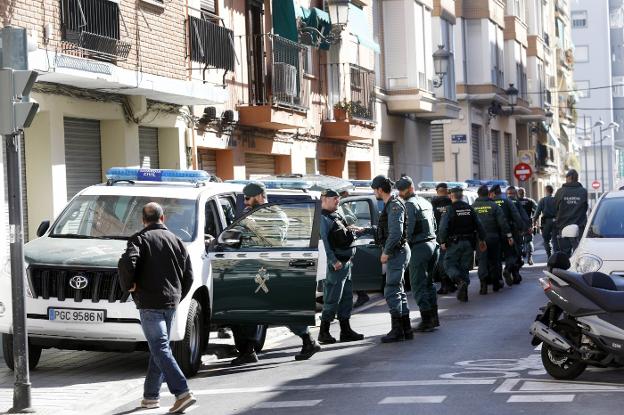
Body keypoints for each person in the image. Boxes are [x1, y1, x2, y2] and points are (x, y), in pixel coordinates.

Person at [231, 182, 321, 365]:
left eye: (248, 198)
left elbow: (274, 241)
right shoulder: (250, 215)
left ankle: (309, 341)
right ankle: (248, 350)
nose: (246, 202)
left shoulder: (276, 214)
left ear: (258, 196)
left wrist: (252, 224)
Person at [118, 202, 196, 413]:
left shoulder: (139, 239)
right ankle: (151, 397)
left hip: (150, 303)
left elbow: (127, 263)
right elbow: (189, 276)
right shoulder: (177, 240)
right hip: (170, 302)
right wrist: (177, 297)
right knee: (159, 349)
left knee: (159, 348)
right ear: (163, 219)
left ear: (143, 220)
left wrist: (129, 286)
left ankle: (182, 392)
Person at [317, 189, 365, 344]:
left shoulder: (336, 215)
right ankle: (324, 332)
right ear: (324, 199)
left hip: (346, 263)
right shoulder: (322, 218)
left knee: (346, 298)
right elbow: (325, 242)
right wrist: (333, 261)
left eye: (338, 198)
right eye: (334, 199)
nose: (338, 201)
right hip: (337, 264)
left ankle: (346, 330)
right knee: (332, 298)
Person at [396, 176, 440, 332]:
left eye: (402, 190)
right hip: (433, 245)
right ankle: (434, 318)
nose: (400, 193)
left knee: (417, 285)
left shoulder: (409, 205)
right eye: (399, 190)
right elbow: (435, 225)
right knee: (429, 283)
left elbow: (408, 229)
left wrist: (400, 245)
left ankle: (427, 320)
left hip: (419, 248)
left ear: (410, 188)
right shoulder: (425, 202)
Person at [371, 175, 411, 342]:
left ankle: (397, 331)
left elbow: (395, 233)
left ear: (380, 189)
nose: (374, 192)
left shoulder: (394, 205)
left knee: (391, 290)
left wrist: (386, 252)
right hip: (398, 251)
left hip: (396, 252)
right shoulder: (391, 204)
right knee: (398, 290)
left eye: (374, 189)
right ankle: (406, 329)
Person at [438, 187, 487, 302]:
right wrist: (482, 239)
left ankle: (459, 281)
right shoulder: (469, 208)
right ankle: (464, 294)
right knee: (464, 267)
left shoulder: (450, 209)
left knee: (448, 264)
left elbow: (443, 227)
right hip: (469, 243)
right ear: (462, 196)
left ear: (451, 196)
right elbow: (479, 225)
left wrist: (443, 241)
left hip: (454, 243)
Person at [472, 185, 513, 294]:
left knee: (482, 261)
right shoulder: (494, 206)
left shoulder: (473, 207)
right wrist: (509, 235)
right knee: (495, 261)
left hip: (481, 239)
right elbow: (503, 223)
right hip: (494, 237)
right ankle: (496, 283)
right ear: (488, 194)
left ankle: (483, 285)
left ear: (478, 194)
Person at [340, 189, 370, 308]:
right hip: (342, 240)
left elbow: (351, 219)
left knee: (345, 273)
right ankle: (361, 294)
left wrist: (342, 220)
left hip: (345, 240)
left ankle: (360, 295)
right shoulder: (338, 204)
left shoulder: (342, 204)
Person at [490, 185, 524, 287]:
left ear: (493, 193)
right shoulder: (507, 202)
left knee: (497, 258)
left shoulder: (490, 203)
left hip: (495, 233)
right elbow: (516, 216)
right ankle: (509, 270)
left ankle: (499, 279)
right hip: (508, 231)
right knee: (511, 254)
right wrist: (521, 228)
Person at [554, 169, 589, 256]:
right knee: (579, 253)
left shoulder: (560, 191)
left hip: (563, 226)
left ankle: (566, 269)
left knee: (565, 254)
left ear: (568, 178)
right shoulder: (583, 191)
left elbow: (555, 208)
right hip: (579, 227)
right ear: (577, 178)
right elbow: (585, 208)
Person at [430, 182, 456, 295]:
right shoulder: (452, 203)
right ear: (447, 191)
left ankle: (445, 285)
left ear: (437, 191)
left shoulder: (432, 204)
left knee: (441, 261)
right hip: (452, 236)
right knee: (452, 261)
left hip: (438, 237)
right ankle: (451, 284)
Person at [505, 186, 531, 284]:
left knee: (509, 253)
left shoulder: (503, 203)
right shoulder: (517, 203)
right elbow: (523, 217)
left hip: (505, 233)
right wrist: (525, 229)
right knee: (517, 253)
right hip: (516, 232)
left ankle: (510, 271)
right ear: (515, 194)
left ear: (507, 194)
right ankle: (513, 273)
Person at [533, 185, 557, 258]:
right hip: (555, 221)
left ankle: (549, 256)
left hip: (546, 222)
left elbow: (537, 212)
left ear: (546, 191)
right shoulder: (556, 199)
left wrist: (534, 221)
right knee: (555, 240)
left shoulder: (542, 200)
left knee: (546, 240)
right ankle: (555, 256)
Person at [517, 188, 538, 265]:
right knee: (529, 241)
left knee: (519, 242)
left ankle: (520, 258)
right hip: (528, 224)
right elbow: (537, 209)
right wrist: (534, 220)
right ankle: (530, 258)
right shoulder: (530, 201)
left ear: (518, 194)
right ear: (524, 193)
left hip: (518, 224)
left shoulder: (515, 202)